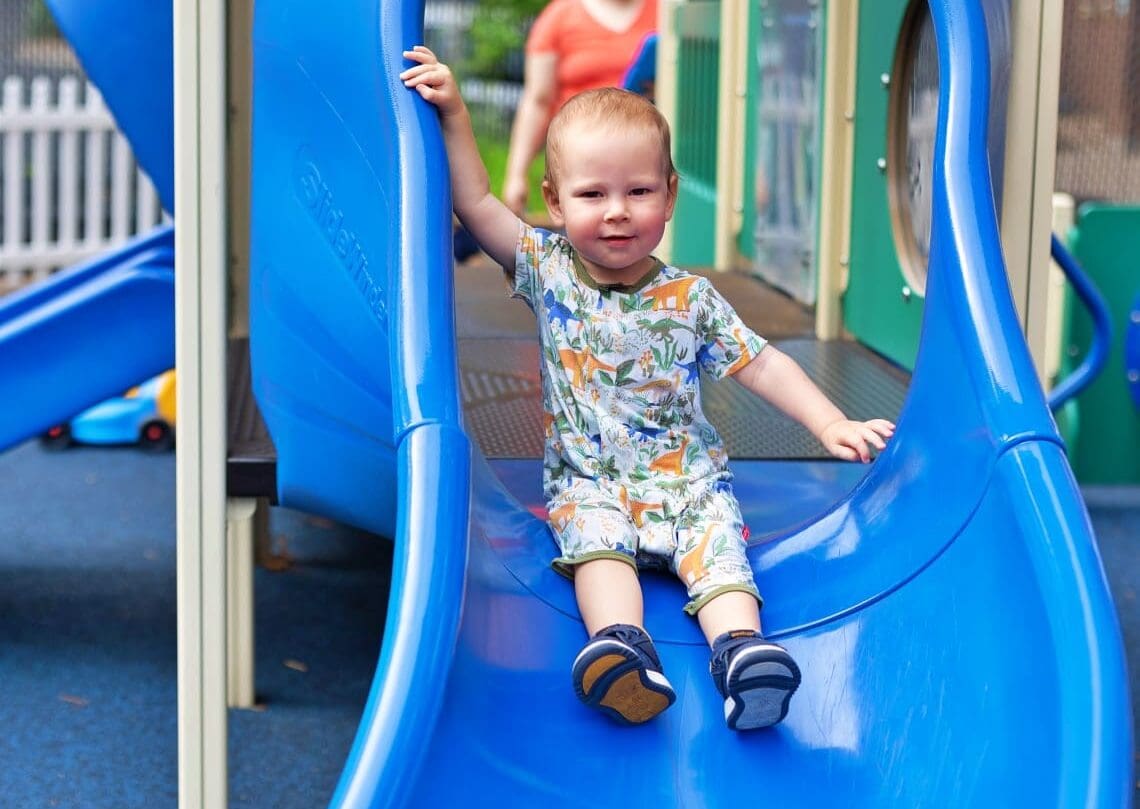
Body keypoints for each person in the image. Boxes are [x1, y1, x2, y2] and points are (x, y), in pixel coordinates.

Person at [401, 47, 895, 731]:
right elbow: (477, 200)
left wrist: (830, 423)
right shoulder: (548, 268)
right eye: (592, 194)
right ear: (554, 199)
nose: (616, 212)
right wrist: (453, 112)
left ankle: (742, 653)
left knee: (721, 556)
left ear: (668, 193)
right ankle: (622, 648)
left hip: (688, 481)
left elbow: (762, 363)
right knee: (597, 551)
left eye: (638, 191)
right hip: (591, 481)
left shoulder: (689, 297)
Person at [502, 0, 656, 215]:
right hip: (581, 159)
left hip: (643, 155)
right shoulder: (559, 16)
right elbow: (538, 100)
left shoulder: (665, 10)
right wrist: (516, 175)